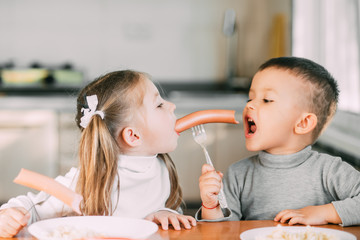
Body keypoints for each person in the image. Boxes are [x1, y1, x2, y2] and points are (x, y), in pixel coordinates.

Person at [0, 70, 196, 238]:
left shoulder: (160, 167)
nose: (172, 106)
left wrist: (165, 213)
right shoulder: (87, 181)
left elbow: (163, 216)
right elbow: (30, 206)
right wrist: (10, 215)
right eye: (159, 105)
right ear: (133, 135)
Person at [197, 56, 360, 226]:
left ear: (303, 123)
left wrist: (324, 213)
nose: (249, 105)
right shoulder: (238, 175)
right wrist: (211, 207)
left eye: (267, 100)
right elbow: (223, 232)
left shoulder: (329, 170)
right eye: (250, 98)